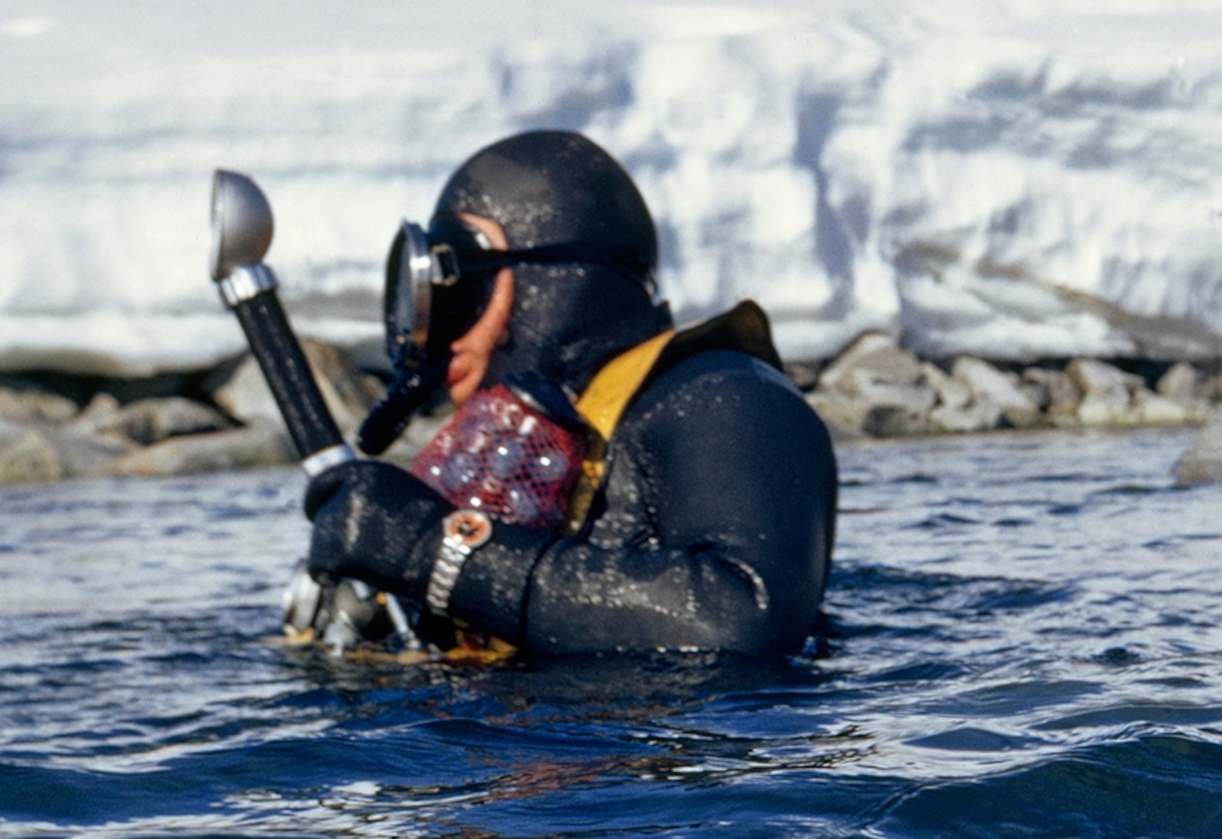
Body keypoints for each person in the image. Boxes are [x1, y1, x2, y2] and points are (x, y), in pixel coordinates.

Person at [301, 131, 836, 658]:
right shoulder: (532, 445)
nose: (440, 330)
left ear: (553, 278)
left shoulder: (723, 395)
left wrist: (433, 552)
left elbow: (744, 616)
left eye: (458, 289)